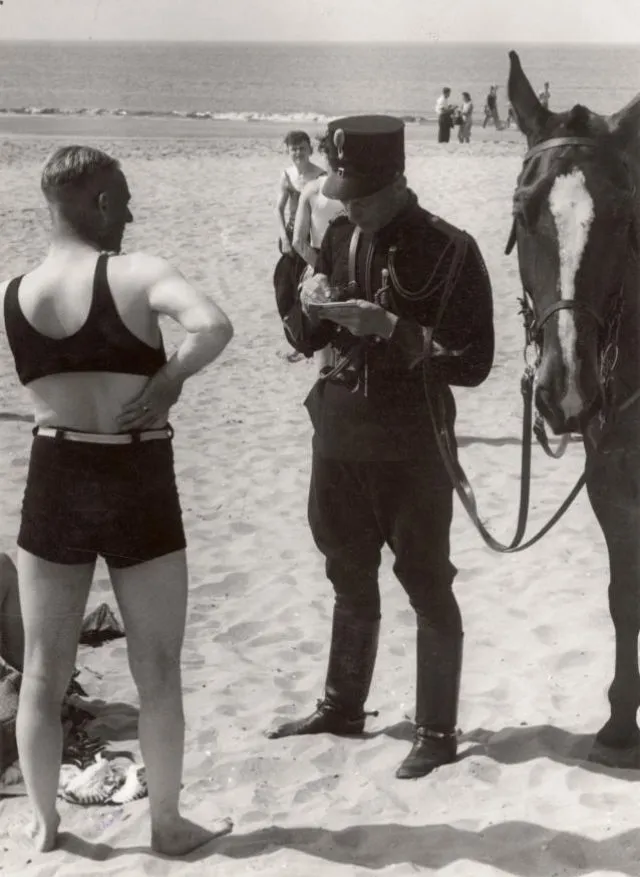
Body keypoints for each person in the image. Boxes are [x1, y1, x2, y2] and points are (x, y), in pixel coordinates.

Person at [0, 145, 234, 853]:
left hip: (55, 473)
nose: (130, 212)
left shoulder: (16, 291)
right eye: (123, 197)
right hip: (136, 476)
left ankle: (46, 824)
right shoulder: (136, 273)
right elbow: (214, 325)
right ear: (100, 201)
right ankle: (165, 823)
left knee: (43, 667)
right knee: (157, 666)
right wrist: (167, 381)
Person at [267, 115, 495, 779]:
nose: (349, 206)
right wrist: (307, 301)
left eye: (361, 194)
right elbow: (306, 341)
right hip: (338, 436)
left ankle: (436, 730)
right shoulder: (338, 235)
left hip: (412, 446)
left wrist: (393, 327)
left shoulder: (451, 249)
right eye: (343, 193)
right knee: (346, 569)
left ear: (398, 180)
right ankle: (342, 704)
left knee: (426, 581)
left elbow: (474, 360)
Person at [292, 135, 345, 372]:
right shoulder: (313, 190)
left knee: (338, 343)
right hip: (328, 267)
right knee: (327, 343)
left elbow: (298, 242)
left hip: (339, 267)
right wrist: (325, 271)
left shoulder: (350, 191)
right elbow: (298, 242)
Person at [274, 130, 326, 363]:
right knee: (285, 289)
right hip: (290, 242)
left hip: (311, 242)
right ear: (288, 151)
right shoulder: (287, 176)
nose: (298, 153)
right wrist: (284, 238)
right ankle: (298, 341)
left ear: (310, 149)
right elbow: (278, 209)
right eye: (293, 149)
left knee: (307, 291)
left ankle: (310, 345)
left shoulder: (320, 176)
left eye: (302, 148)